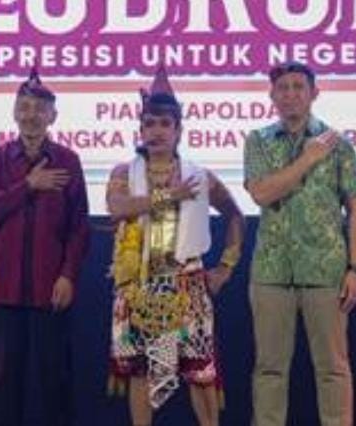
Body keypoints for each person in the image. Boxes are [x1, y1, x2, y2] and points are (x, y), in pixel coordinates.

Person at [106, 66, 245, 426]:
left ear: (179, 130)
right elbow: (117, 208)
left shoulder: (200, 177)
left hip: (187, 283)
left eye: (165, 124)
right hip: (138, 284)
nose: (157, 131)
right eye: (149, 124)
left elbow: (235, 216)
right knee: (141, 370)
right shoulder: (124, 173)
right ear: (140, 130)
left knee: (200, 373)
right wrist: (170, 196)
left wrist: (226, 267)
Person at [243, 61, 356, 426]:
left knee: (333, 368)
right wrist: (307, 159)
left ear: (314, 93)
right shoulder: (258, 141)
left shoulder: (338, 145)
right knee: (269, 369)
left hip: (326, 271)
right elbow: (262, 193)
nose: (291, 94)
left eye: (299, 87)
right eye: (283, 88)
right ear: (272, 95)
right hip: (271, 272)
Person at [0, 68, 90, 426]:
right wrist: (28, 185)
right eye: (24, 107)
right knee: (5, 381)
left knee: (55, 380)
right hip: (4, 290)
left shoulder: (68, 161)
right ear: (14, 112)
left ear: (53, 116)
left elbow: (79, 227)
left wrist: (68, 276)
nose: (31, 115)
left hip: (50, 288)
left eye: (40, 109)